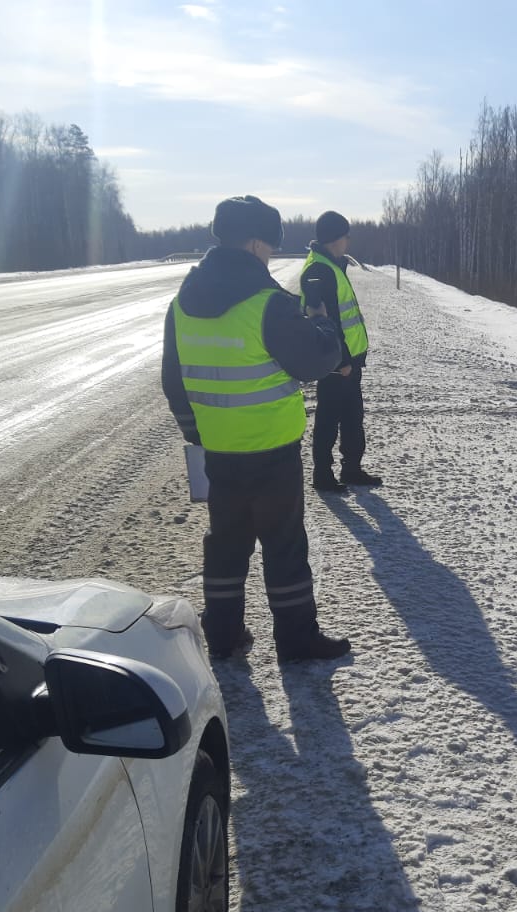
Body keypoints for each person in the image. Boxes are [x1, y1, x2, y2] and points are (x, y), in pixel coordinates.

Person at [160, 195, 352, 664]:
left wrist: (198, 432)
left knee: (226, 544)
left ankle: (222, 636)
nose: (269, 254)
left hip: (219, 451)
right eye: (268, 245)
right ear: (251, 243)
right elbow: (318, 359)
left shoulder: (182, 304)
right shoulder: (268, 304)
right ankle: (296, 640)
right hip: (271, 449)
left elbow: (173, 378)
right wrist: (324, 327)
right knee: (284, 545)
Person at [300, 211, 380, 492]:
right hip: (336, 362)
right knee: (328, 420)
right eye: (346, 235)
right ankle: (323, 475)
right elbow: (326, 319)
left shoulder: (331, 265)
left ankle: (352, 469)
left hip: (349, 361)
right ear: (335, 238)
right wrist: (342, 360)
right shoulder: (319, 271)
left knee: (352, 417)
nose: (348, 240)